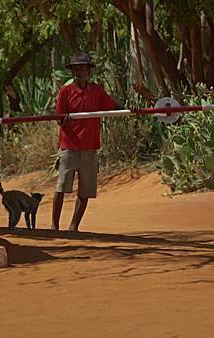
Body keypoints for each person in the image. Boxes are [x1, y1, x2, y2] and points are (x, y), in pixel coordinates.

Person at [51, 52, 123, 232]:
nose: (78, 71)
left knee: (85, 190)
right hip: (70, 146)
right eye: (75, 68)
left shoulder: (96, 91)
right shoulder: (65, 92)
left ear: (88, 71)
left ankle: (74, 227)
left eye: (82, 68)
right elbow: (59, 118)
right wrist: (63, 119)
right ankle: (54, 226)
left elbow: (113, 107)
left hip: (90, 146)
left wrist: (130, 110)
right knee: (62, 187)